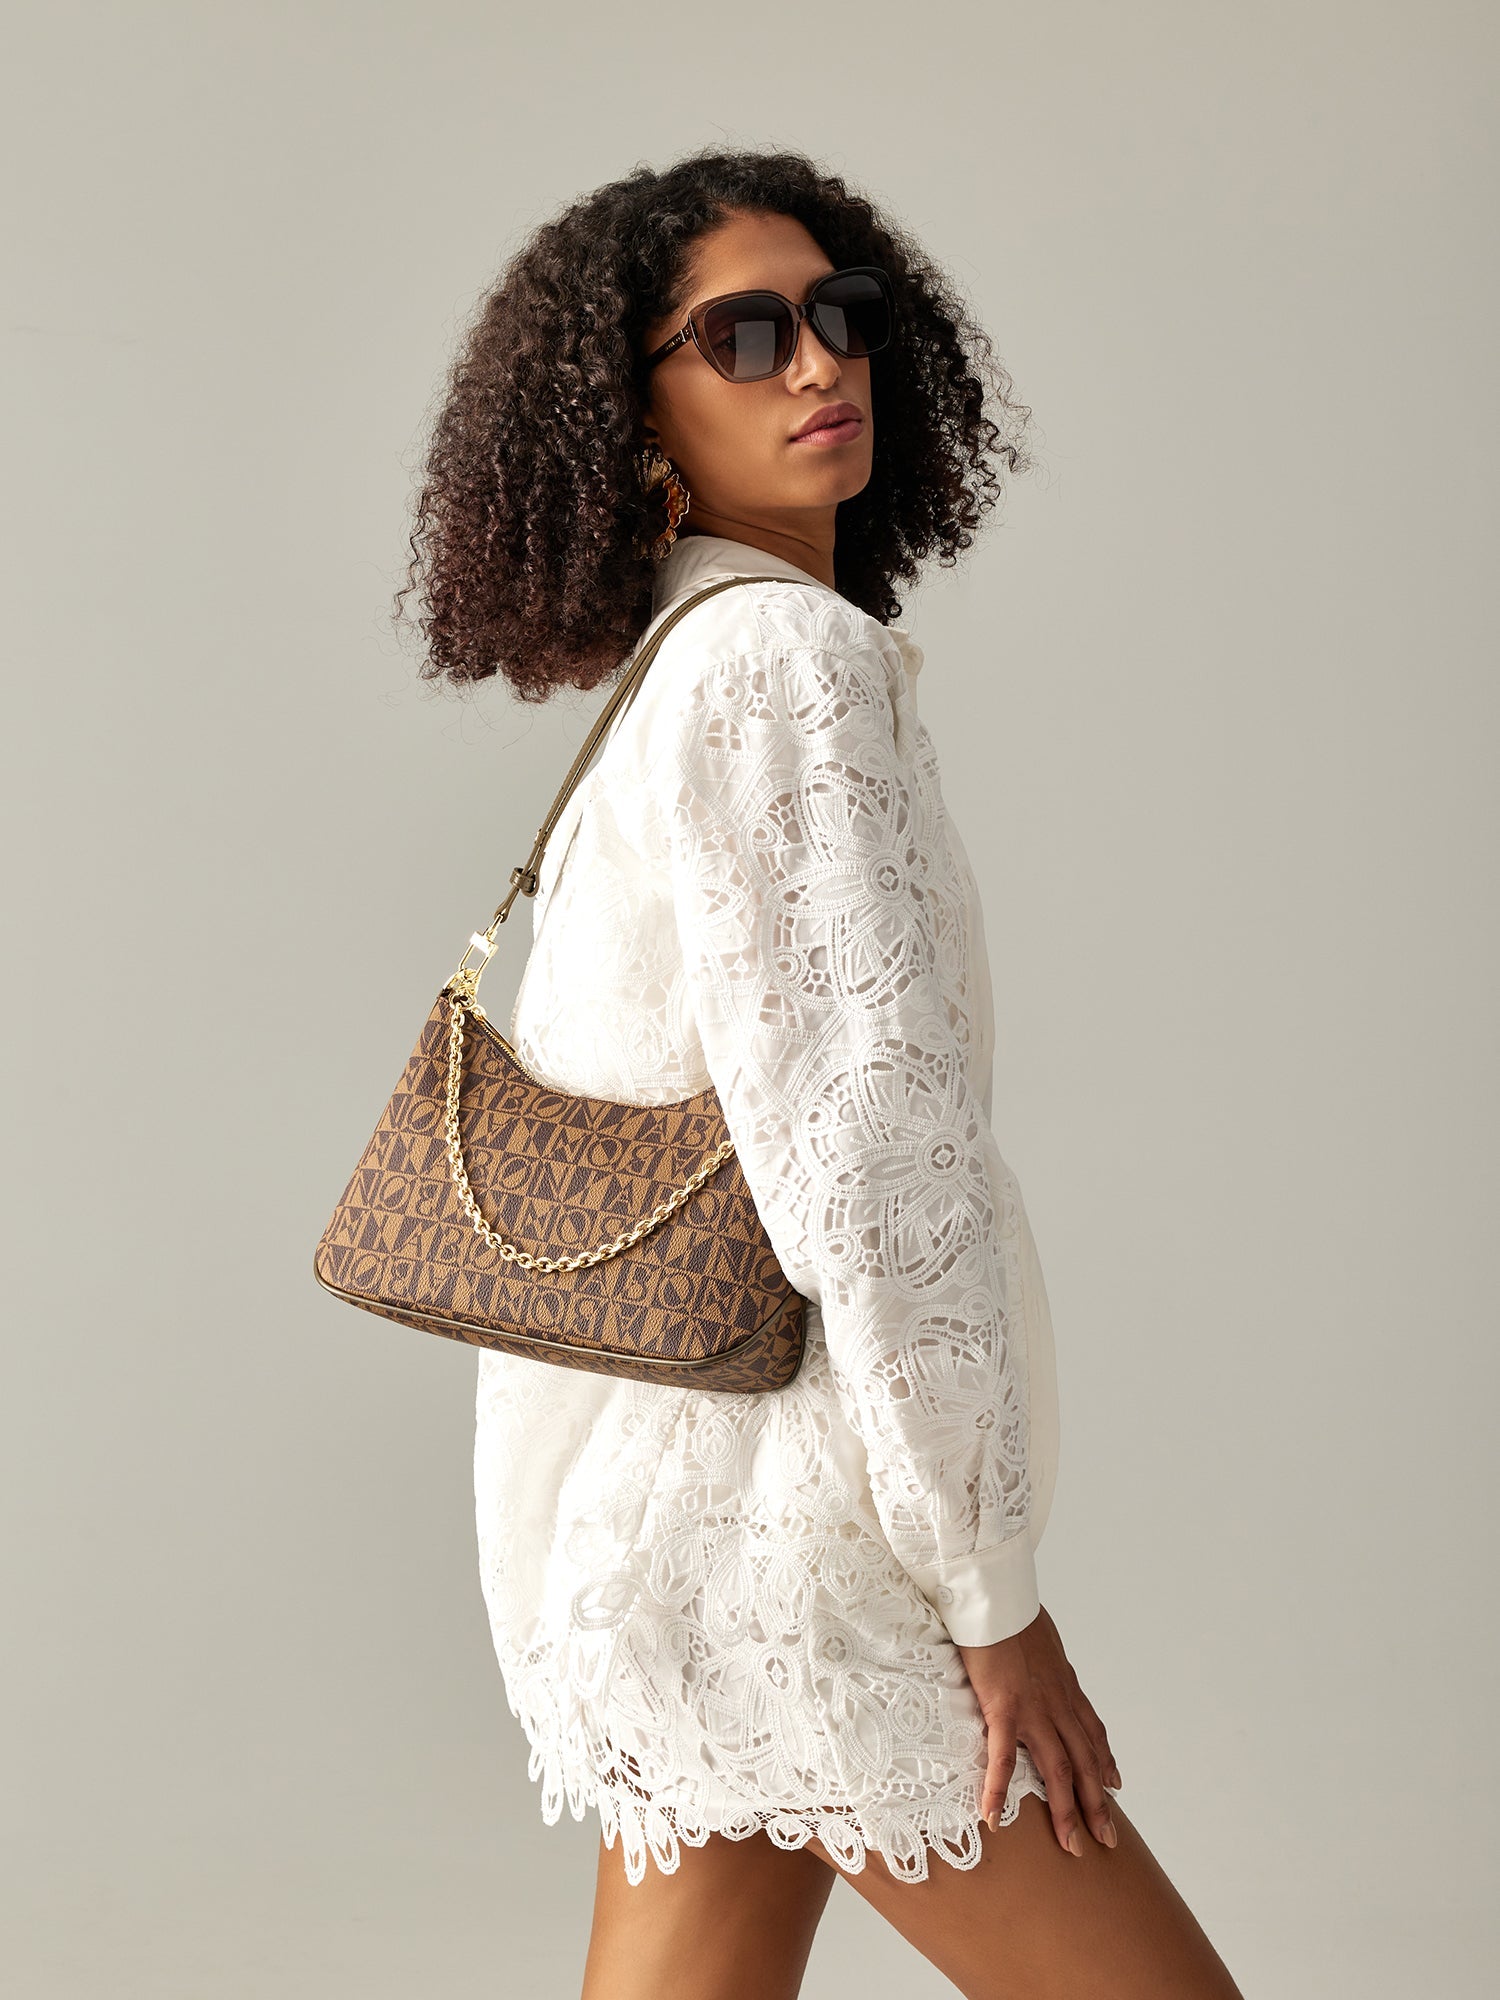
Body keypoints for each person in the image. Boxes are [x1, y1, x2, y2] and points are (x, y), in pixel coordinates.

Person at [397, 144, 1244, 2000]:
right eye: (744, 333)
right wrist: (991, 1600)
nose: (816, 362)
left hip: (659, 1534)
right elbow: (869, 1170)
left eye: (841, 314)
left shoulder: (683, 665)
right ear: (633, 411)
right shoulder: (782, 663)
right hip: (802, 1546)